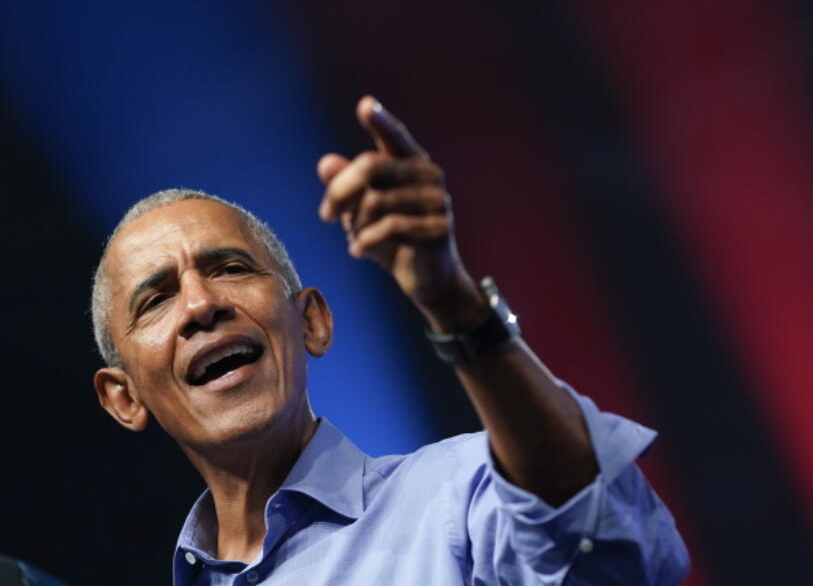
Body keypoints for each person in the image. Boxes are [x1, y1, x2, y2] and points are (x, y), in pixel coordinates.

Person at [90, 95, 689, 585]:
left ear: (313, 322)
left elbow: (603, 547)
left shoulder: (464, 494)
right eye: (156, 299)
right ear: (124, 398)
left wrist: (453, 302)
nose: (201, 304)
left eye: (231, 268)